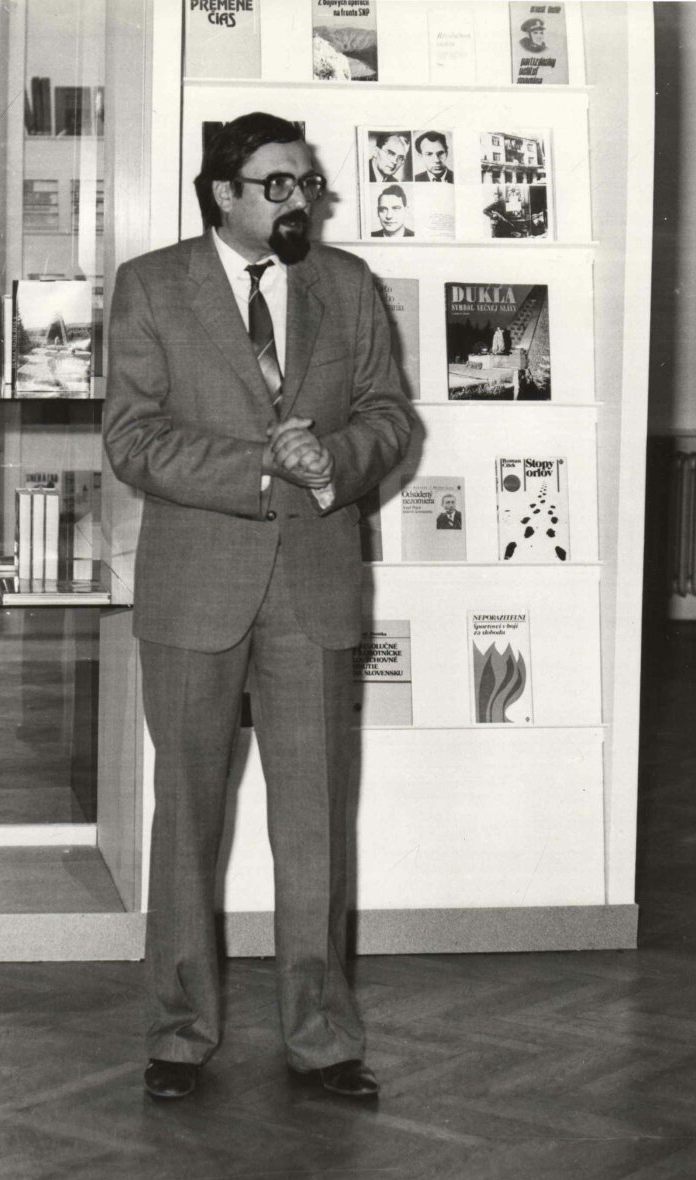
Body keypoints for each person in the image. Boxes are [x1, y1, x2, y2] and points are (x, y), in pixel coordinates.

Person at [103, 112, 412, 1103]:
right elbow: (133, 438)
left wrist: (334, 464)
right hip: (196, 588)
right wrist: (263, 467)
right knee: (187, 819)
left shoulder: (346, 285)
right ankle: (178, 1034)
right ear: (223, 194)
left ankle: (323, 1040)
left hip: (313, 588)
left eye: (307, 183)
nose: (300, 200)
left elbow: (389, 417)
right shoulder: (152, 286)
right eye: (278, 184)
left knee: (315, 823)